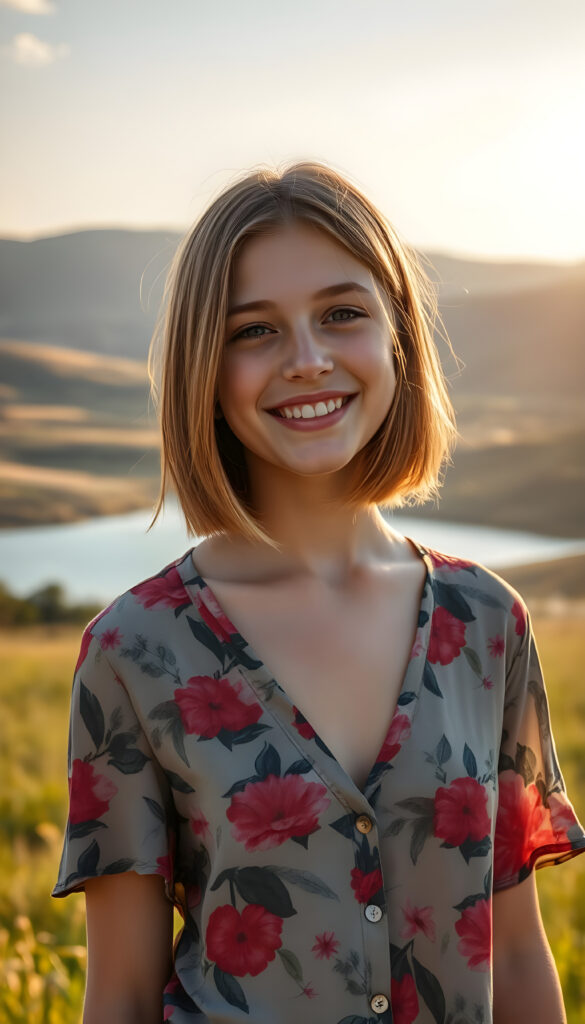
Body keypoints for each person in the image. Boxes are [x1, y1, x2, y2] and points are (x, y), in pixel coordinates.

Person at [52, 161, 585, 1024]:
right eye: (254, 330)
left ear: (396, 336)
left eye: (341, 314)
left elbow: (517, 955)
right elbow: (119, 995)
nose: (306, 361)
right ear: (204, 369)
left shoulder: (488, 623)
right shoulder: (133, 651)